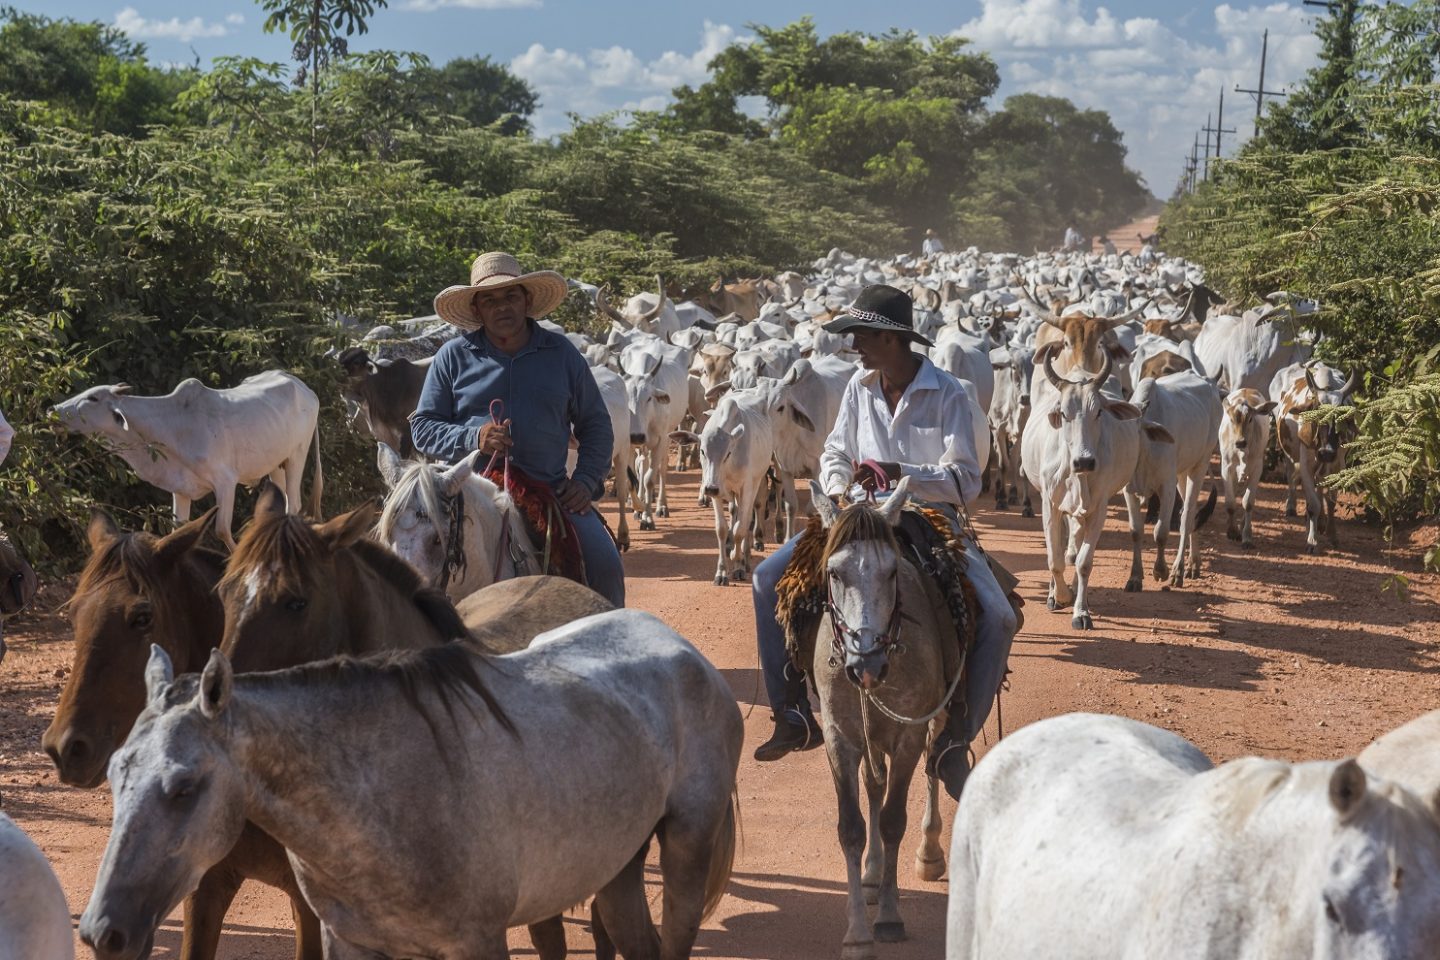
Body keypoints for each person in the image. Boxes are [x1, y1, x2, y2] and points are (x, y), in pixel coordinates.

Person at [749, 284, 1018, 800]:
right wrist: (835, 487)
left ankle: (953, 741)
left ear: (892, 339)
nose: (853, 346)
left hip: (928, 516)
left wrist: (902, 474)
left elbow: (965, 480)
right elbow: (835, 451)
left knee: (1000, 616)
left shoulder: (949, 393)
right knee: (766, 580)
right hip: (856, 514)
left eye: (862, 336)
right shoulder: (858, 386)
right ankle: (793, 713)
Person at [410, 251, 625, 607]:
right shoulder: (451, 357)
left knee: (605, 565)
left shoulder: (561, 354)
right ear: (477, 310)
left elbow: (596, 424)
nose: (502, 306)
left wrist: (586, 482)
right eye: (490, 300)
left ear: (526, 300)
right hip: (468, 494)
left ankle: (614, 645)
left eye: (511, 295)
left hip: (551, 493)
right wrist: (473, 437)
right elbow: (423, 426)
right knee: (414, 571)